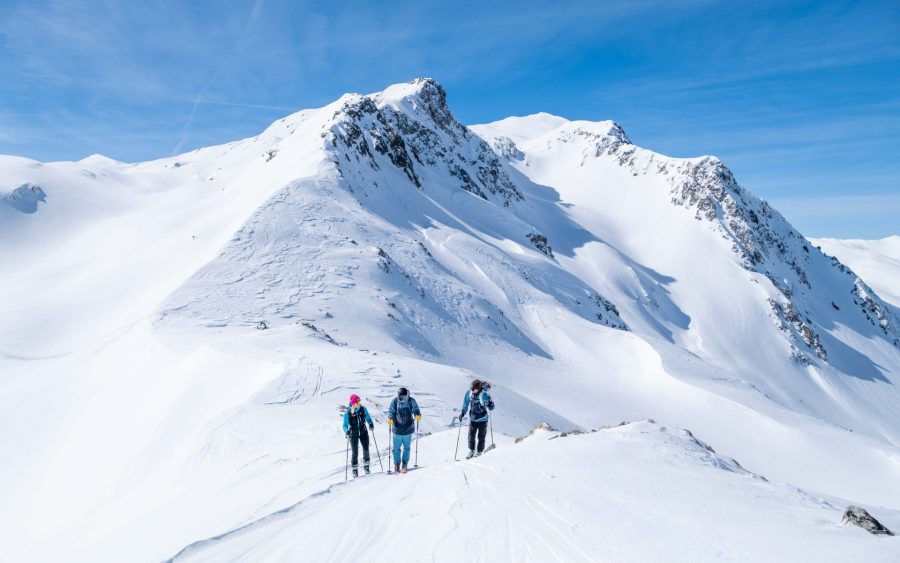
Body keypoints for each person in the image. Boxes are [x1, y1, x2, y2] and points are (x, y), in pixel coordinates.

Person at [388, 387, 421, 473]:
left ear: (407, 396)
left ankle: (405, 463)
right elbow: (391, 411)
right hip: (397, 428)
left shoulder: (411, 401)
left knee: (406, 448)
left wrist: (417, 414)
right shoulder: (395, 401)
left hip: (408, 428)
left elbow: (416, 409)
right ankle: (397, 464)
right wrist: (391, 418)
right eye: (401, 398)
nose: (402, 399)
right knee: (396, 448)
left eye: (404, 398)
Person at [459, 379, 494, 459]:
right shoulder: (469, 393)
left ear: (478, 388)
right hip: (473, 419)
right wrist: (463, 412)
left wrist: (491, 405)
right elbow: (466, 402)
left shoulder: (483, 395)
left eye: (473, 389)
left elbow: (490, 406)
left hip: (483, 420)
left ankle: (479, 452)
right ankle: (471, 450)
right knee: (471, 436)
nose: (472, 390)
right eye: (471, 388)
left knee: (481, 437)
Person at [343, 394, 374, 477]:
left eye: (359, 401)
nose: (359, 403)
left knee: (366, 448)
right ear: (354, 403)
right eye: (358, 401)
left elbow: (367, 416)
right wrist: (346, 431)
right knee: (355, 452)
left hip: (363, 431)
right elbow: (345, 425)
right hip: (353, 433)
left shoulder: (363, 409)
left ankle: (366, 466)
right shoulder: (348, 413)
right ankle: (354, 469)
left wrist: (370, 423)